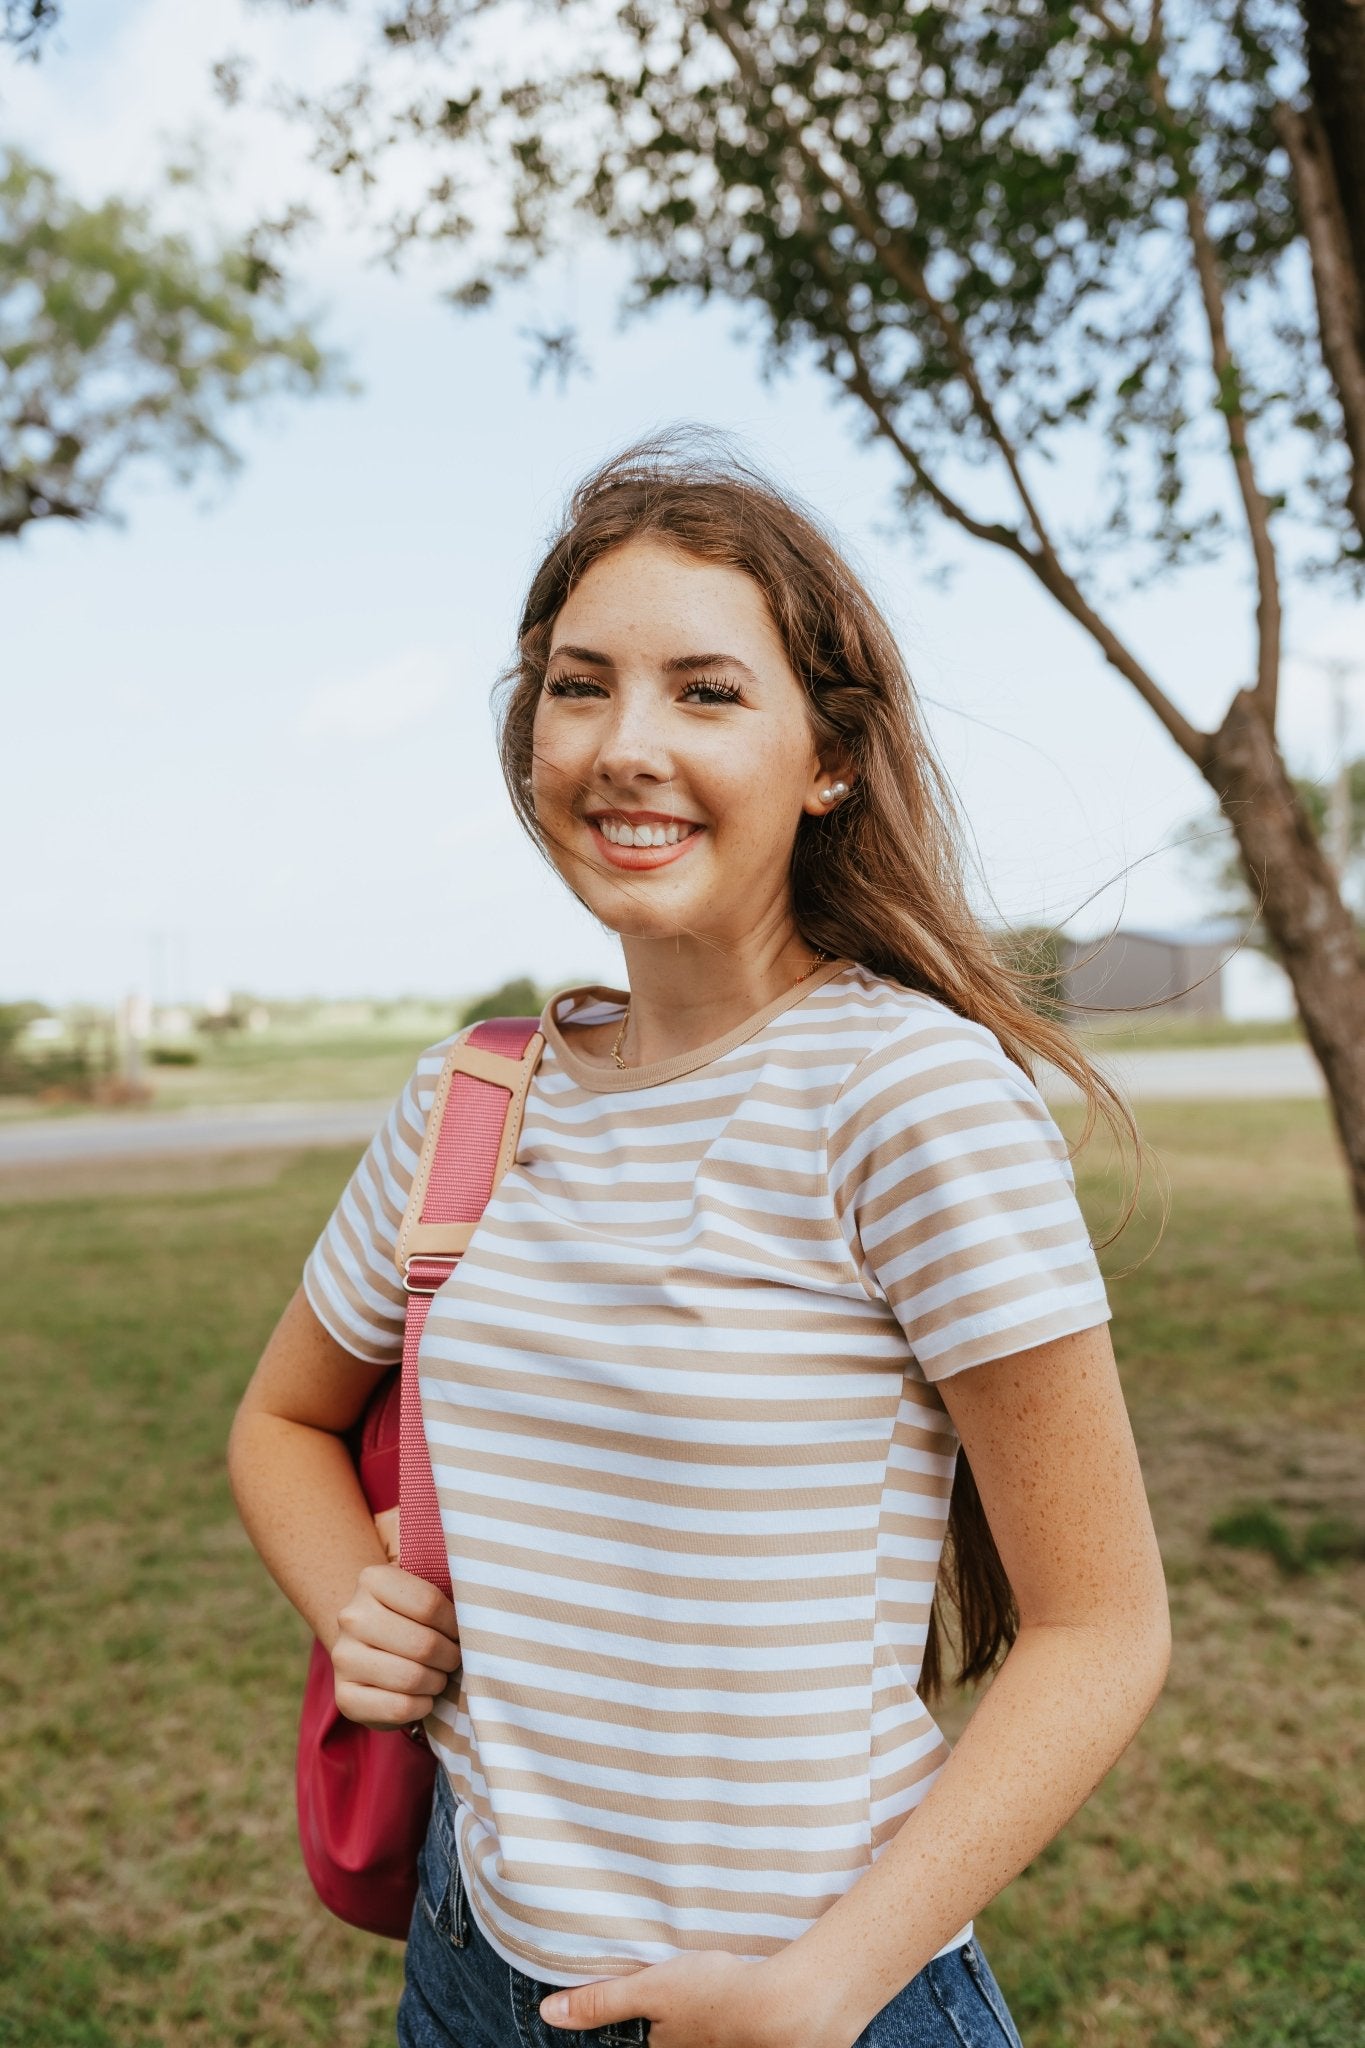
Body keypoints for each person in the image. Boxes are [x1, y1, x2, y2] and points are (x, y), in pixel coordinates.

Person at [228, 430, 1171, 2048]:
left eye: (705, 692)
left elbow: (1102, 1629)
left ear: (828, 759)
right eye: (578, 687)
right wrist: (348, 1597)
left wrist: (823, 1983)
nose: (622, 746)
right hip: (474, 1954)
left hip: (804, 1991)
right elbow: (281, 1423)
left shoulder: (907, 1097)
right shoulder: (469, 1098)